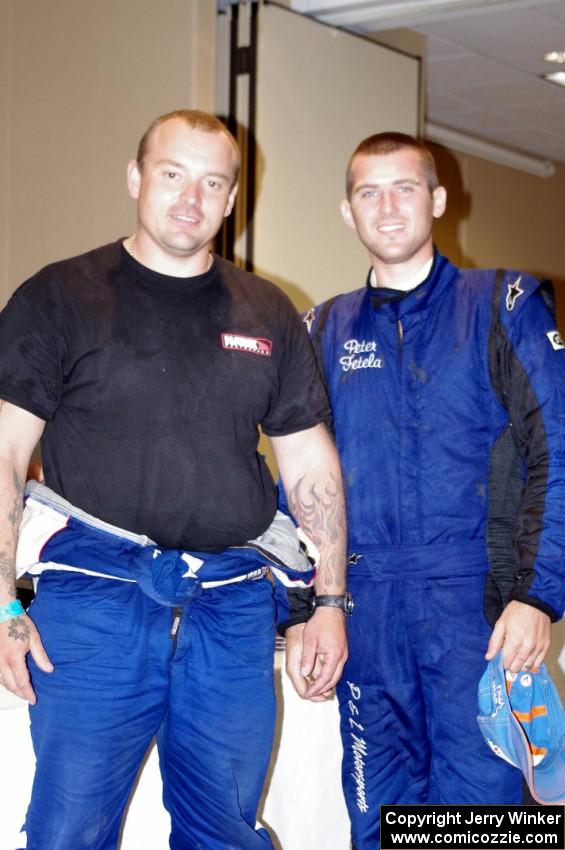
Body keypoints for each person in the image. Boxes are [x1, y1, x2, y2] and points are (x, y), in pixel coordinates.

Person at [0, 109, 348, 850]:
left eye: (212, 182)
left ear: (230, 201)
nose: (190, 197)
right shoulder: (59, 297)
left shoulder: (267, 311)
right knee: (68, 830)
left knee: (224, 826)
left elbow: (310, 464)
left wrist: (328, 601)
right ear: (134, 178)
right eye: (171, 174)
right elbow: (4, 453)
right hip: (92, 598)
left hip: (230, 602)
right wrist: (2, 607)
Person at [296, 132, 565, 849]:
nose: (386, 207)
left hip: (475, 612)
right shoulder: (320, 330)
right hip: (365, 609)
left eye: (404, 188)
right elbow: (295, 482)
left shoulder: (502, 304)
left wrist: (537, 594)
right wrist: (301, 606)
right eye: (367, 192)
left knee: (473, 826)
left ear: (439, 200)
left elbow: (558, 453)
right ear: (347, 211)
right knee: (381, 821)